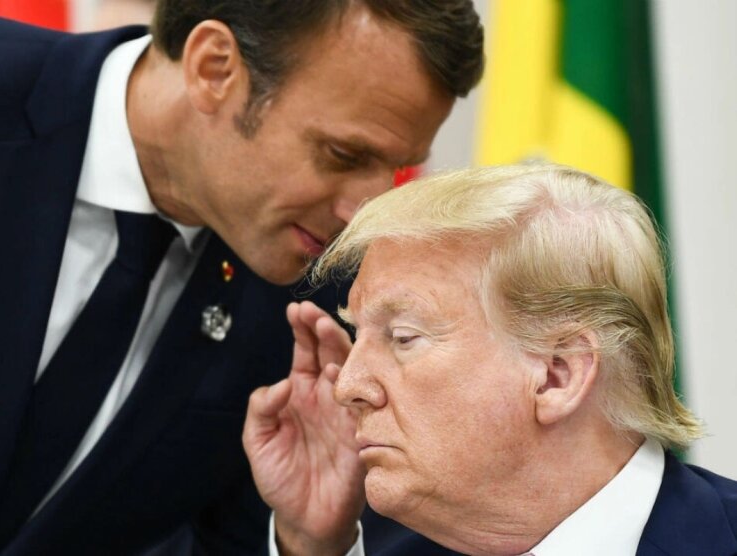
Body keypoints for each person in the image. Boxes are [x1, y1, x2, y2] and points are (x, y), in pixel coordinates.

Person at [0, 1, 483, 554]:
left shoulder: (333, 304)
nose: (364, 212)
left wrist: (307, 544)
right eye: (342, 155)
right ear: (214, 69)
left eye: (395, 167)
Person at [244, 165, 737, 555]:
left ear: (556, 374)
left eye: (403, 337)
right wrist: (314, 546)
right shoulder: (375, 544)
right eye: (358, 332)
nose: (347, 385)